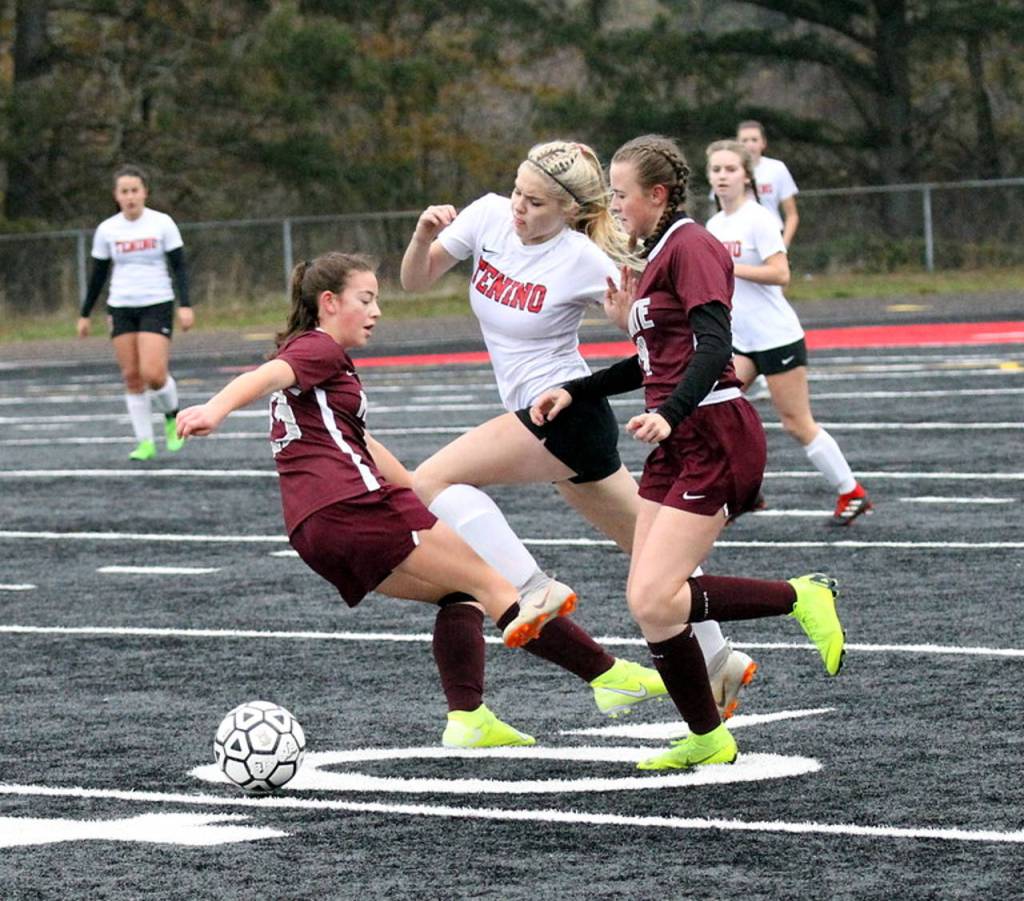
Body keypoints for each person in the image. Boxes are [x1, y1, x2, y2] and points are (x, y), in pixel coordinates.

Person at [176, 252, 659, 749]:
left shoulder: (316, 365)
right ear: (328, 302)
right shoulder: (318, 348)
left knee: (460, 595)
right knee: (495, 582)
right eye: (365, 299)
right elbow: (268, 374)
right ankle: (610, 677)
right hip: (354, 507)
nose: (376, 310)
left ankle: (468, 718)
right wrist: (215, 408)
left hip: (311, 530)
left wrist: (413, 487)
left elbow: (358, 442)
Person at [401, 140, 758, 722]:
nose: (520, 207)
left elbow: (662, 328)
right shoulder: (489, 214)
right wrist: (421, 237)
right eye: (518, 191)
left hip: (562, 412)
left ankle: (530, 585)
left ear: (570, 210)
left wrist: (630, 324)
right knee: (647, 547)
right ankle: (719, 658)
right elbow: (416, 280)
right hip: (557, 417)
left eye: (537, 202)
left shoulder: (585, 257)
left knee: (432, 480)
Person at [530, 135, 846, 771]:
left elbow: (714, 347)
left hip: (711, 433)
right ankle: (708, 734)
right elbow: (652, 359)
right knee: (651, 601)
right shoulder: (657, 255)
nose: (613, 205)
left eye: (620, 194)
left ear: (657, 194)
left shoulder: (693, 245)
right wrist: (576, 388)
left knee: (654, 597)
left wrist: (669, 415)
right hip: (681, 438)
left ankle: (801, 596)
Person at [705, 140, 872, 525]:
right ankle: (746, 492)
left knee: (797, 423)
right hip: (741, 341)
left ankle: (851, 490)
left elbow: (781, 274)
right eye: (716, 170)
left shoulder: (760, 219)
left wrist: (731, 268)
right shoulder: (714, 225)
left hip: (777, 337)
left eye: (730, 169)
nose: (723, 177)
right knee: (713, 410)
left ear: (746, 176)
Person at [77, 165, 193, 461]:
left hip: (157, 302)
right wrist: (85, 313)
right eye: (124, 192)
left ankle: (170, 414)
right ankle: (145, 443)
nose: (130, 197)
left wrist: (185, 304)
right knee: (131, 376)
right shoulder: (107, 229)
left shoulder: (162, 223)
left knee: (153, 374)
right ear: (116, 196)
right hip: (121, 305)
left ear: (145, 192)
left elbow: (179, 266)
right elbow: (98, 274)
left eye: (135, 190)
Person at [736, 120, 800, 248]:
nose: (749, 145)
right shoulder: (729, 170)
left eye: (754, 140)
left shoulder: (777, 168)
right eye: (744, 140)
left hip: (772, 235)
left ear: (763, 143)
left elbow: (792, 214)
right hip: (739, 237)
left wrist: (783, 244)